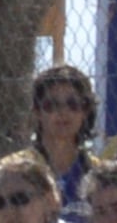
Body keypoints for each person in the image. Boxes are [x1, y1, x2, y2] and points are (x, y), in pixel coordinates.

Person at [19, 64, 102, 213]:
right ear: (37, 112)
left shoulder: (98, 173)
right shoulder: (16, 170)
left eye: (73, 104)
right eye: (51, 105)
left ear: (85, 111)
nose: (63, 112)